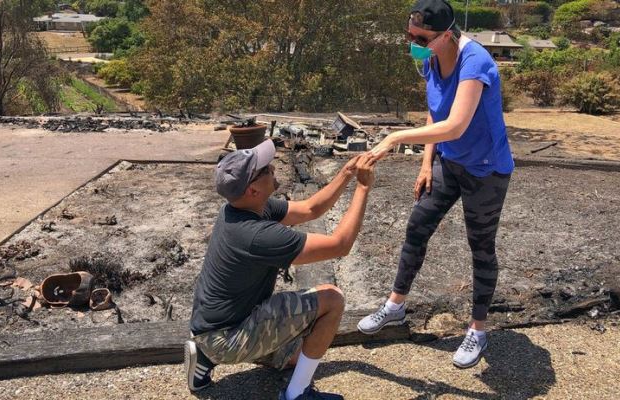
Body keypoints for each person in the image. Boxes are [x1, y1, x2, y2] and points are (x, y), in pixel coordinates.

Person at [357, 0, 514, 369]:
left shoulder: (474, 63)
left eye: (420, 37)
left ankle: (478, 328)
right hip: (449, 161)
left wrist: (395, 138)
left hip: (486, 169)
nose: (412, 41)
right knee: (417, 226)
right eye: (409, 34)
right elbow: (435, 110)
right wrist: (427, 162)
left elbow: (456, 124)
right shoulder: (430, 58)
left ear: (447, 35)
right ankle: (395, 306)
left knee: (480, 246)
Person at [185, 139, 377, 400]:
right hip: (228, 337)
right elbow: (340, 245)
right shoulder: (256, 235)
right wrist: (363, 188)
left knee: (299, 356)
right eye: (266, 169)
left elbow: (311, 209)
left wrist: (346, 173)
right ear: (252, 189)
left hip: (214, 327)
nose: (273, 167)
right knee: (332, 299)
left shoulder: (242, 209)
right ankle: (297, 394)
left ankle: (205, 358)